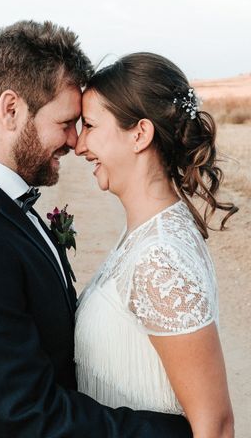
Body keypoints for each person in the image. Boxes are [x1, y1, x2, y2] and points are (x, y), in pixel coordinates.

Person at [0, 22, 192, 437]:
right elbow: (27, 412)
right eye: (67, 122)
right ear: (11, 110)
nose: (76, 142)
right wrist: (172, 433)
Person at [74, 52, 238, 438]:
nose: (79, 145)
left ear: (140, 134)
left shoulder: (160, 257)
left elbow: (215, 426)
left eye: (91, 126)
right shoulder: (148, 234)